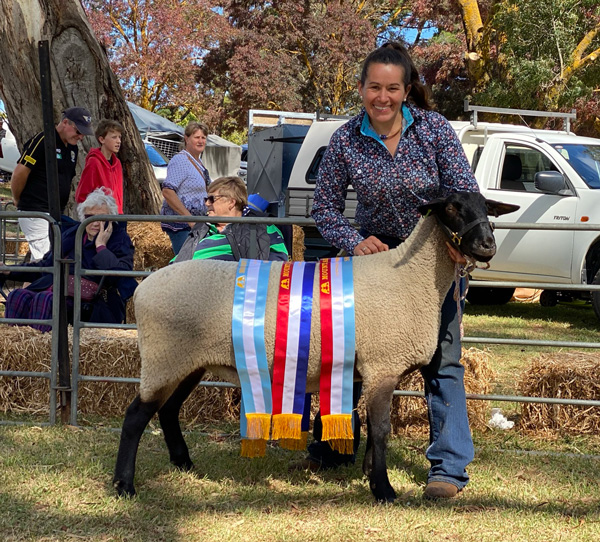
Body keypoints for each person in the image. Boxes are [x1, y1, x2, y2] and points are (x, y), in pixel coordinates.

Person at [310, 42, 479, 500]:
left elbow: (465, 195)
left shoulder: (435, 131)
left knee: (442, 360)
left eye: (392, 88)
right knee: (345, 355)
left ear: (406, 91)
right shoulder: (344, 139)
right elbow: (323, 207)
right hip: (371, 271)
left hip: (432, 268)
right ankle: (335, 447)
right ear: (361, 88)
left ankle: (447, 467)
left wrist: (459, 243)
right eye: (373, 87)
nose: (381, 97)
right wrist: (352, 240)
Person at [1, 188, 137, 331]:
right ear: (83, 218)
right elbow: (45, 266)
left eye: (101, 218)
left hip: (95, 299)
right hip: (57, 286)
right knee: (18, 296)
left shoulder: (119, 239)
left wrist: (101, 247)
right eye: (90, 217)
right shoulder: (72, 235)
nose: (95, 223)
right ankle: (17, 346)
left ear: (111, 220)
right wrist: (10, 271)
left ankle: (45, 349)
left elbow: (122, 275)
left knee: (47, 299)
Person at [11, 107, 94, 260]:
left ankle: (28, 283)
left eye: (83, 133)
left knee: (44, 260)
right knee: (47, 260)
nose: (81, 137)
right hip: (35, 210)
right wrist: (17, 198)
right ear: (65, 122)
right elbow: (20, 172)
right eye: (78, 131)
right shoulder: (44, 140)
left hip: (56, 213)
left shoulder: (72, 149)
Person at [173, 176, 288, 263]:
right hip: (186, 279)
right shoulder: (202, 227)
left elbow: (278, 263)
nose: (207, 203)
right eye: (206, 199)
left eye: (211, 199)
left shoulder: (262, 226)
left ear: (231, 202)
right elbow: (182, 257)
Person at [160, 121, 211, 255]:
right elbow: (167, 191)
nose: (200, 141)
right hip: (182, 226)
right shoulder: (181, 160)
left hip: (194, 225)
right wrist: (189, 220)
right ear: (187, 139)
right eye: (196, 137)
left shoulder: (198, 162)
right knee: (185, 262)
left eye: (203, 137)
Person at [75, 119, 124, 213]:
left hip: (117, 215)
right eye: (114, 137)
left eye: (119, 137)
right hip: (100, 217)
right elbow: (82, 195)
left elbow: (119, 194)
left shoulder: (117, 163)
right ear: (102, 139)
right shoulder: (94, 162)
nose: (118, 141)